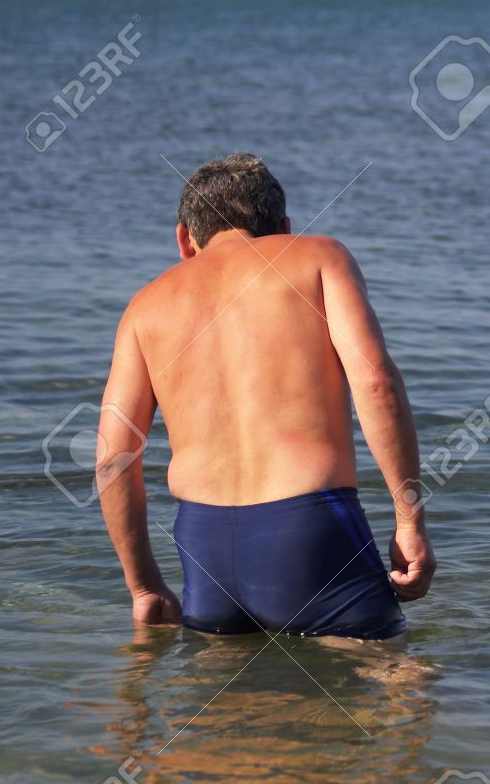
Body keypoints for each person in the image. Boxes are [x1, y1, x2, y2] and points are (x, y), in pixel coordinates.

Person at [96, 153, 435, 641]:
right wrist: (409, 522)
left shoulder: (144, 306)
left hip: (204, 544)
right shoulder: (319, 256)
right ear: (283, 226)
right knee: (392, 688)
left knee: (233, 707)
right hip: (309, 530)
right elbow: (377, 382)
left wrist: (143, 585)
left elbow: (111, 458)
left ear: (184, 240)